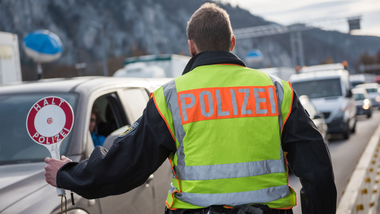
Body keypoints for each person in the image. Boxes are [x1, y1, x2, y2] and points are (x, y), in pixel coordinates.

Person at [44, 3, 337, 214]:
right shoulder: (276, 91)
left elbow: (124, 166)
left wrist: (68, 173)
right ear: (232, 43)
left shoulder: (170, 98)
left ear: (191, 47)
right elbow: (318, 172)